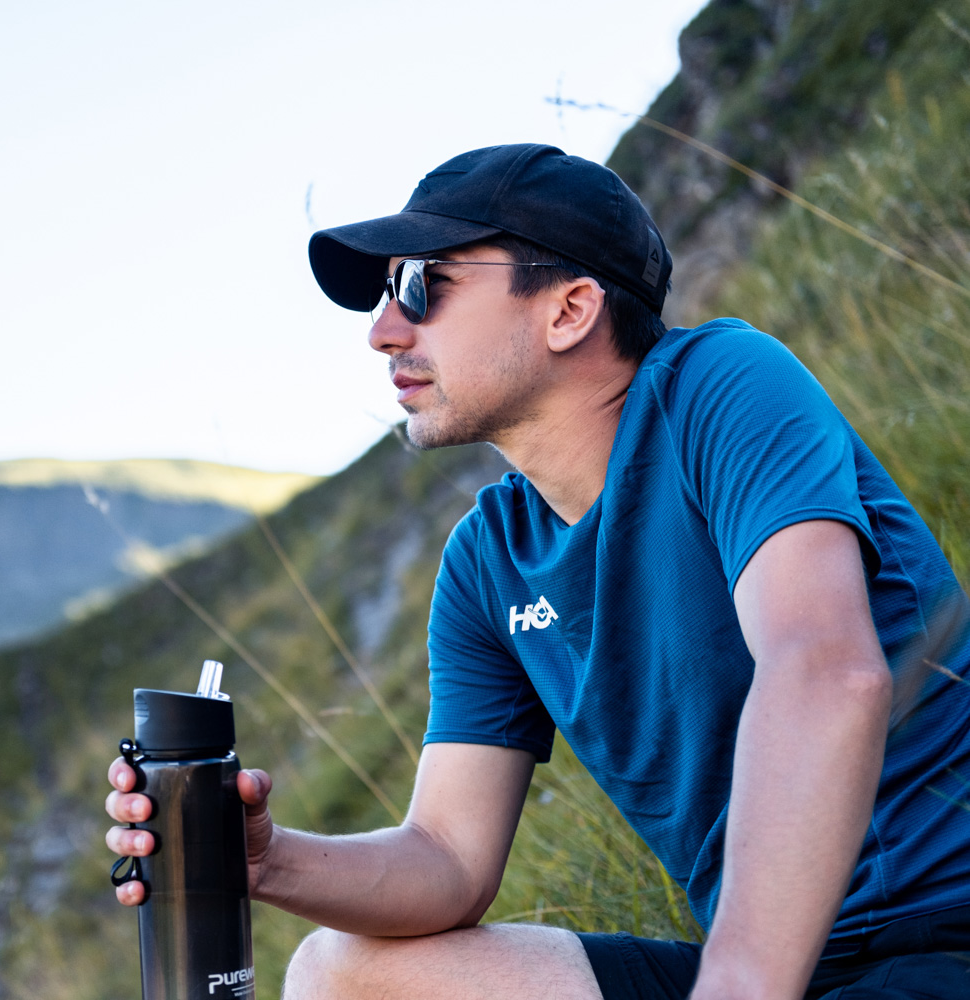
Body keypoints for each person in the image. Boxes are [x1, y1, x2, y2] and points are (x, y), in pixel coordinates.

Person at [104, 143, 970, 999]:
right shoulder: (489, 561)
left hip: (939, 932)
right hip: (781, 973)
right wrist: (267, 860)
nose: (382, 331)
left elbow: (827, 670)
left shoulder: (720, 387)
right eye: (382, 296)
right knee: (341, 974)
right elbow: (448, 861)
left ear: (569, 310)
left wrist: (738, 987)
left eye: (424, 286)